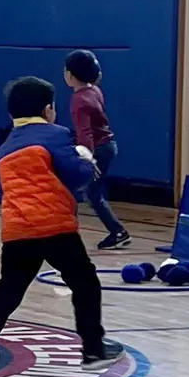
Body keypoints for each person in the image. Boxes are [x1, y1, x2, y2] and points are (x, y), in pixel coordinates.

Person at [0, 77, 126, 377]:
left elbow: (0, 186)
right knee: (84, 282)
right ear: (48, 110)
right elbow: (77, 176)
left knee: (9, 290)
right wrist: (86, 158)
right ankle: (93, 348)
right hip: (53, 224)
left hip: (17, 229)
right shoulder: (57, 135)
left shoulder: (5, 147)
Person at [64, 49, 129, 249]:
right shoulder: (94, 91)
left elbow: (85, 132)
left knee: (90, 194)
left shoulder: (78, 101)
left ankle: (117, 231)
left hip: (98, 149)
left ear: (71, 75)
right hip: (108, 146)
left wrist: (87, 159)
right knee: (92, 193)